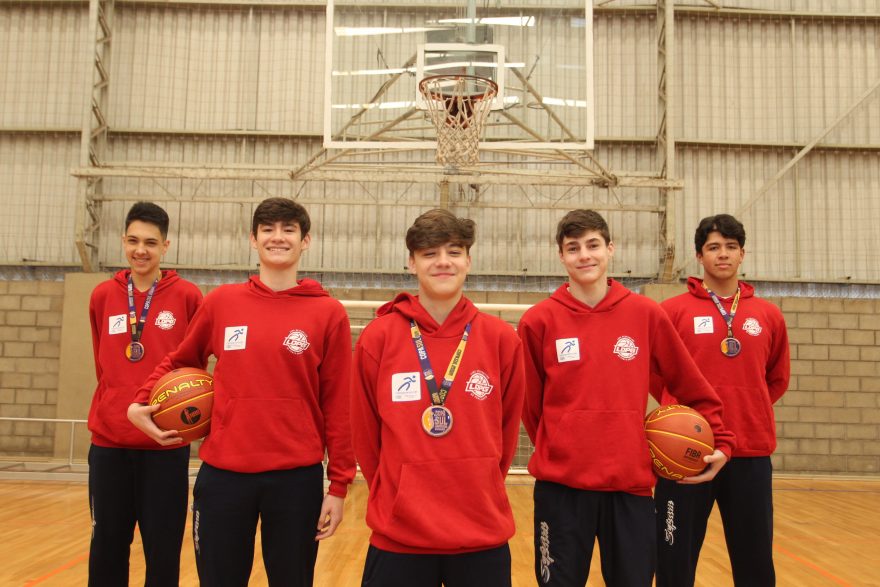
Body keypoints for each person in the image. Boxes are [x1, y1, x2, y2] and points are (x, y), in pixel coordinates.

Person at [127, 197, 355, 586]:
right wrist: (140, 402)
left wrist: (338, 485)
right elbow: (180, 360)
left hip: (296, 478)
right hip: (224, 476)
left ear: (306, 241)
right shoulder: (222, 302)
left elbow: (339, 404)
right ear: (253, 239)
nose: (277, 237)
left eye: (288, 230)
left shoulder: (328, 313)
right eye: (267, 229)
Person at [517, 209, 737, 587]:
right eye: (573, 248)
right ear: (561, 256)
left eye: (592, 245)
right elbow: (531, 407)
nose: (584, 255)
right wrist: (563, 447)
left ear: (610, 249)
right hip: (561, 490)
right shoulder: (539, 321)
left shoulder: (645, 313)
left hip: (630, 488)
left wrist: (722, 441)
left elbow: (694, 388)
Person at [351, 209, 526, 587]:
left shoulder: (501, 340)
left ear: (469, 260)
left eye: (454, 251)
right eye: (430, 253)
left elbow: (507, 431)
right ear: (411, 262)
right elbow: (365, 435)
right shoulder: (378, 338)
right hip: (400, 537)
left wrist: (480, 481)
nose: (443, 262)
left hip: (482, 532)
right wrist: (395, 493)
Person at [652, 214, 789, 587]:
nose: (722, 254)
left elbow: (776, 379)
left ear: (742, 253)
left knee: (755, 561)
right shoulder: (671, 313)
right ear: (699, 256)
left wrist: (747, 409)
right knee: (673, 559)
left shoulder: (769, 316)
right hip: (685, 453)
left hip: (750, 453)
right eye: (713, 247)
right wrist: (682, 420)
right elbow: (655, 375)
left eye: (730, 247)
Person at [87, 201, 203, 586]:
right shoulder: (103, 295)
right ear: (123, 241)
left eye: (151, 243)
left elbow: (195, 368)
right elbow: (102, 364)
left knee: (163, 548)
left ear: (165, 247)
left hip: (165, 446)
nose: (141, 250)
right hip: (109, 443)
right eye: (134, 240)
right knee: (107, 544)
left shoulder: (187, 296)